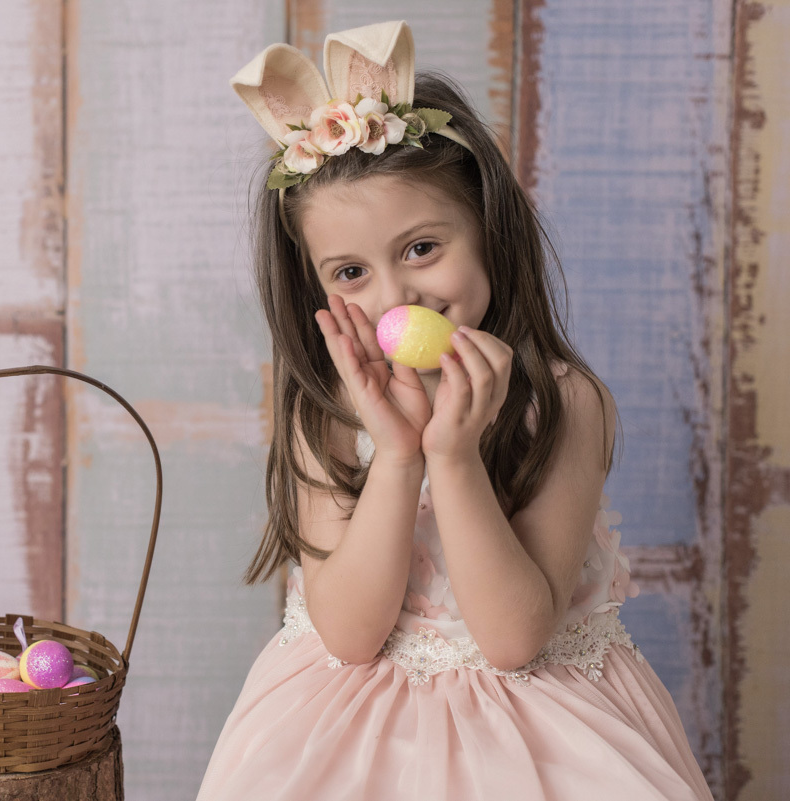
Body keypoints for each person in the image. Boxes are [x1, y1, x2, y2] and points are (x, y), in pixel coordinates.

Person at [196, 20, 713, 800]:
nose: (394, 297)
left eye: (421, 248)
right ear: (315, 289)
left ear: (488, 230)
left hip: (540, 736)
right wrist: (398, 455)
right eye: (349, 271)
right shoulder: (331, 412)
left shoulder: (565, 403)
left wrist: (455, 454)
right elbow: (350, 634)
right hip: (347, 728)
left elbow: (513, 639)